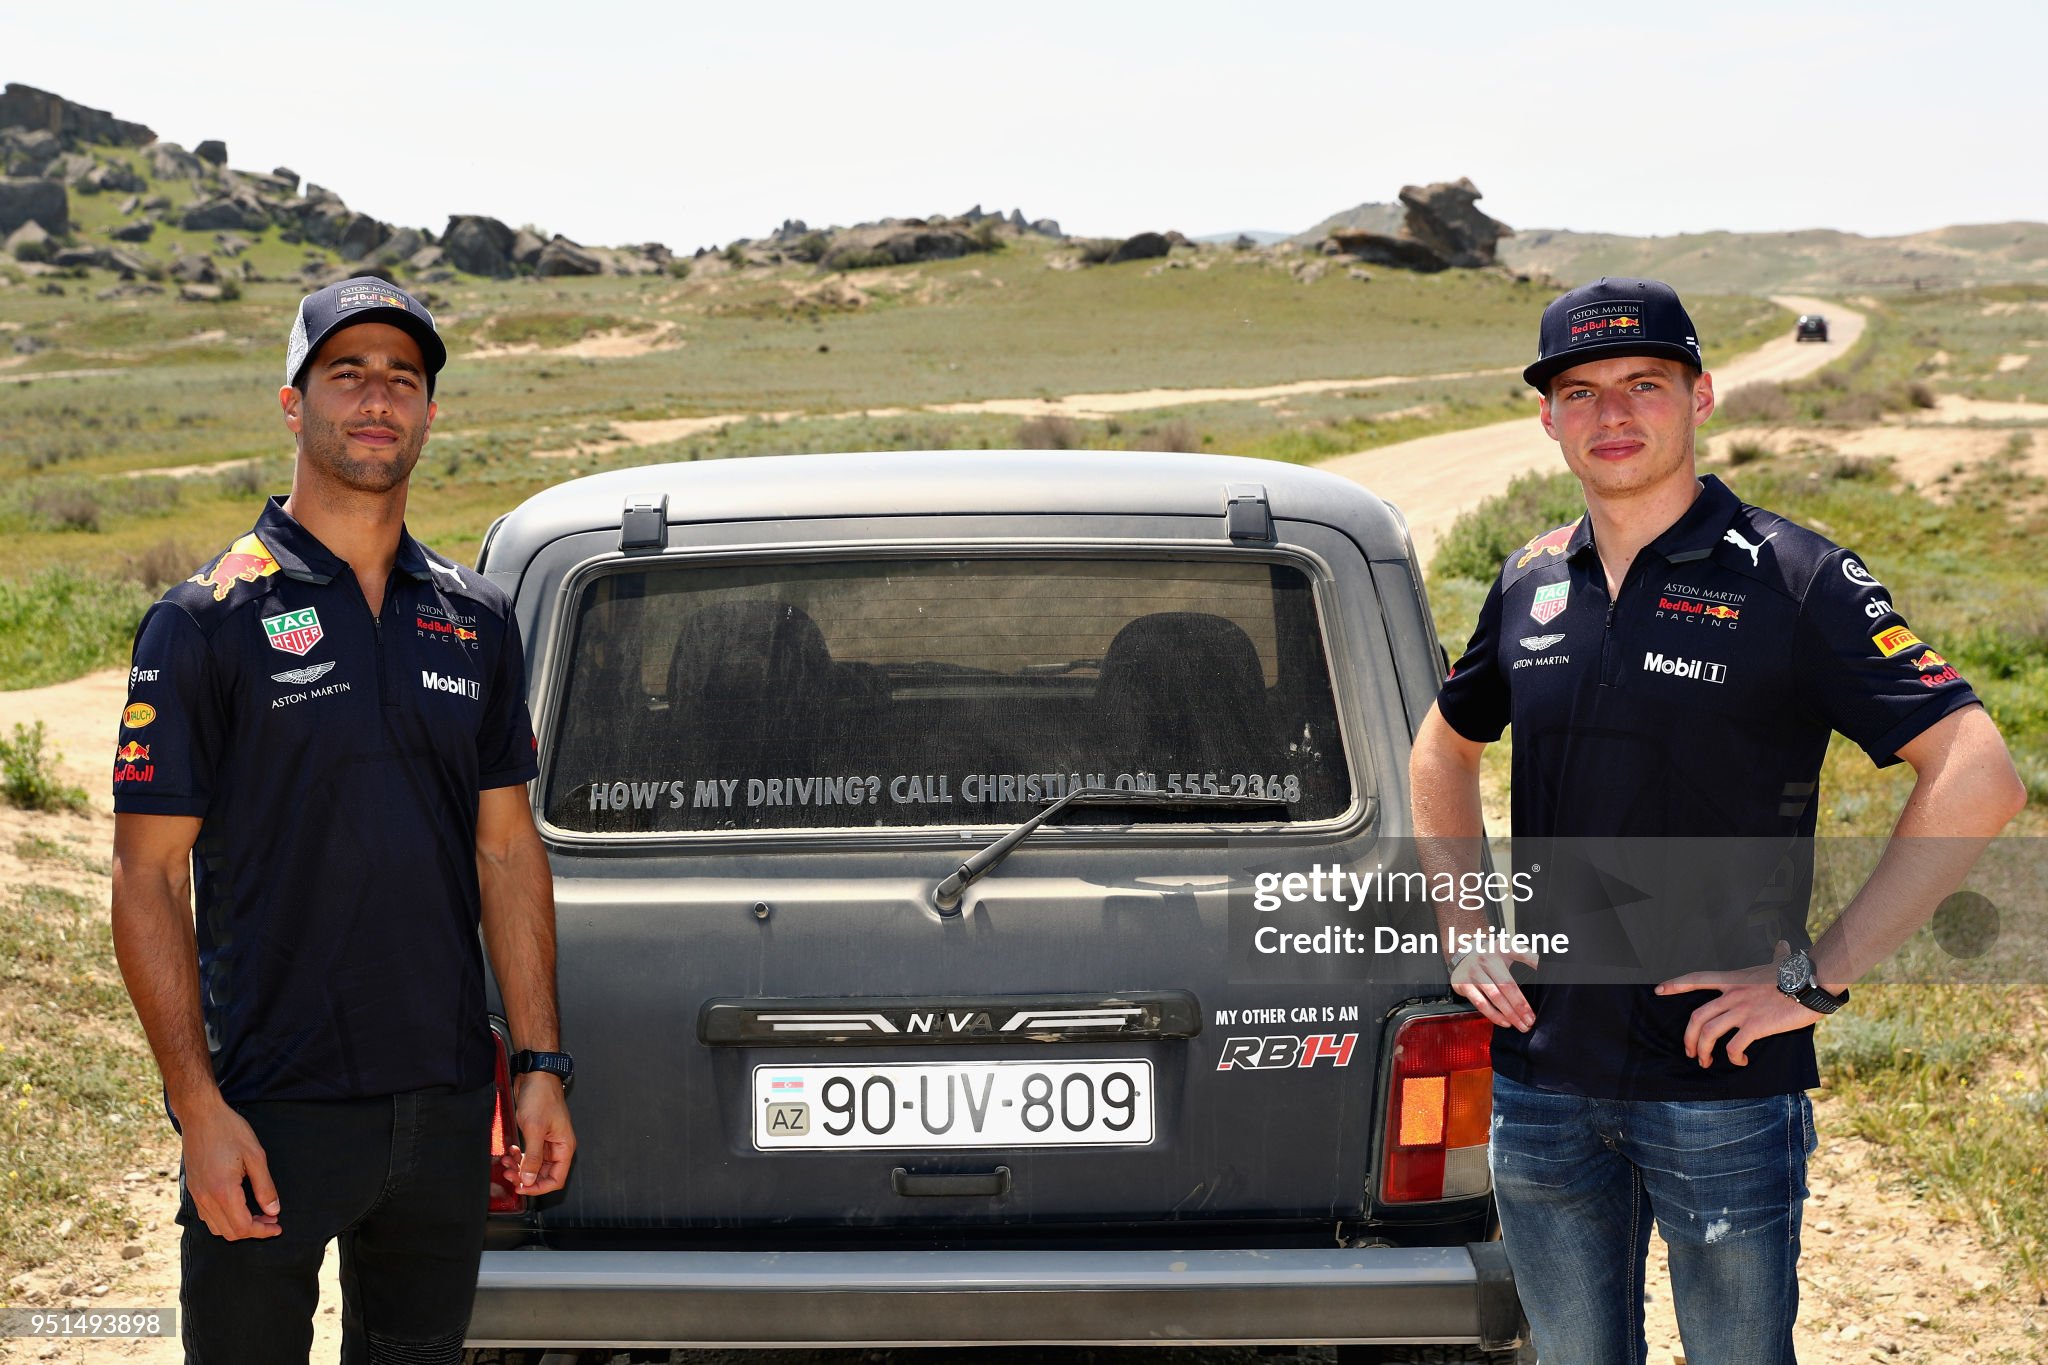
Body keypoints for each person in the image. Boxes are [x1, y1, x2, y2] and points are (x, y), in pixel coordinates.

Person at [1409, 277, 2025, 1364]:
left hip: (1718, 1082)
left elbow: (1975, 774)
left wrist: (1815, 978)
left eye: (1643, 384)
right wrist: (1464, 931)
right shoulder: (1526, 581)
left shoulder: (1794, 577)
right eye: (1580, 391)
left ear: (1699, 397)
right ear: (1545, 419)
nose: (1611, 415)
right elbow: (1441, 750)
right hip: (1542, 1074)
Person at [109, 277, 577, 1363]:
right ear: (293, 403)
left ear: (426, 412)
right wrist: (198, 1110)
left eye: (402, 380)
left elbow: (506, 848)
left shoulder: (474, 617)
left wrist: (539, 1066)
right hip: (271, 1106)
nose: (377, 400)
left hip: (446, 1101)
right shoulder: (205, 621)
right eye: (348, 374)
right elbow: (144, 878)